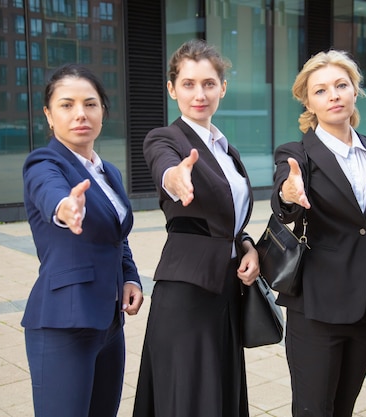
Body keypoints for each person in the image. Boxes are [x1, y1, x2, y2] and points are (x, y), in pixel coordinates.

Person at [132, 39, 259, 417]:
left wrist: (248, 245)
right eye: (188, 84)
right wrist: (175, 178)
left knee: (220, 389)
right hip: (188, 290)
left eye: (208, 83)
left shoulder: (225, 148)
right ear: (172, 89)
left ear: (223, 87)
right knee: (187, 394)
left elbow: (228, 219)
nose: (199, 94)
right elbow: (164, 167)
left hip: (227, 289)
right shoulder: (165, 138)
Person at [22, 63, 144, 417]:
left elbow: (117, 237)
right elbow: (50, 193)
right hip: (63, 324)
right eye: (66, 105)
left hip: (109, 323)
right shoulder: (43, 162)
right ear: (48, 115)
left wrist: (131, 276)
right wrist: (66, 208)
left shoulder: (108, 172)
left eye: (90, 104)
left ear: (103, 111)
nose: (80, 114)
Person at [271, 50, 366, 417]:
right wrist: (288, 195)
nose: (333, 95)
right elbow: (283, 198)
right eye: (321, 90)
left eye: (341, 85)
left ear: (355, 91)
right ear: (308, 101)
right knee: (313, 409)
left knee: (344, 407)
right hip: (317, 307)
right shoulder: (297, 153)